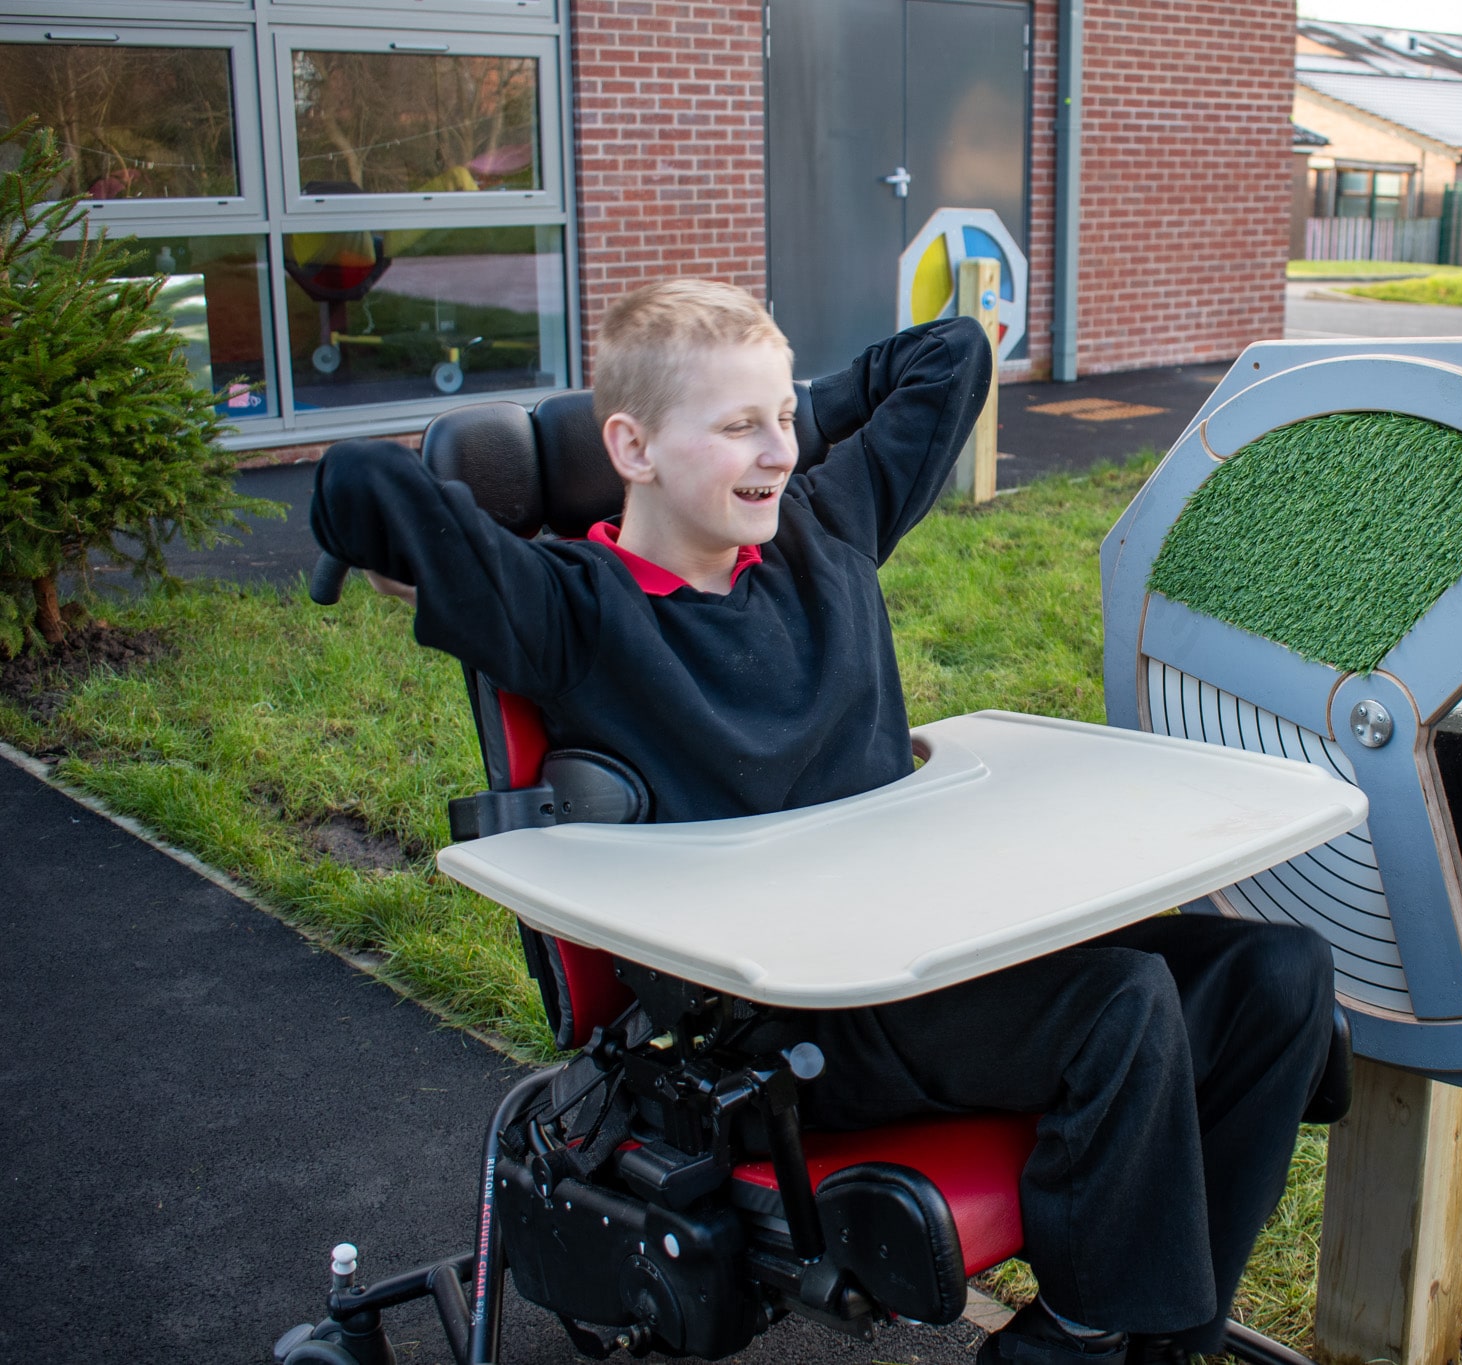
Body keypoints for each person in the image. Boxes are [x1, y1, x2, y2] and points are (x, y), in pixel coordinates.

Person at [309, 279, 1335, 1365]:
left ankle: (1164, 1335)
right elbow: (358, 483)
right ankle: (1073, 1342)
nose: (780, 451)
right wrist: (483, 474)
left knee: (1281, 976)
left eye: (785, 421)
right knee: (1121, 1003)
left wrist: (787, 397)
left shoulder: (825, 531)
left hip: (942, 944)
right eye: (739, 426)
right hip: (791, 1013)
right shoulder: (568, 607)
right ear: (633, 447)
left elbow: (948, 355)